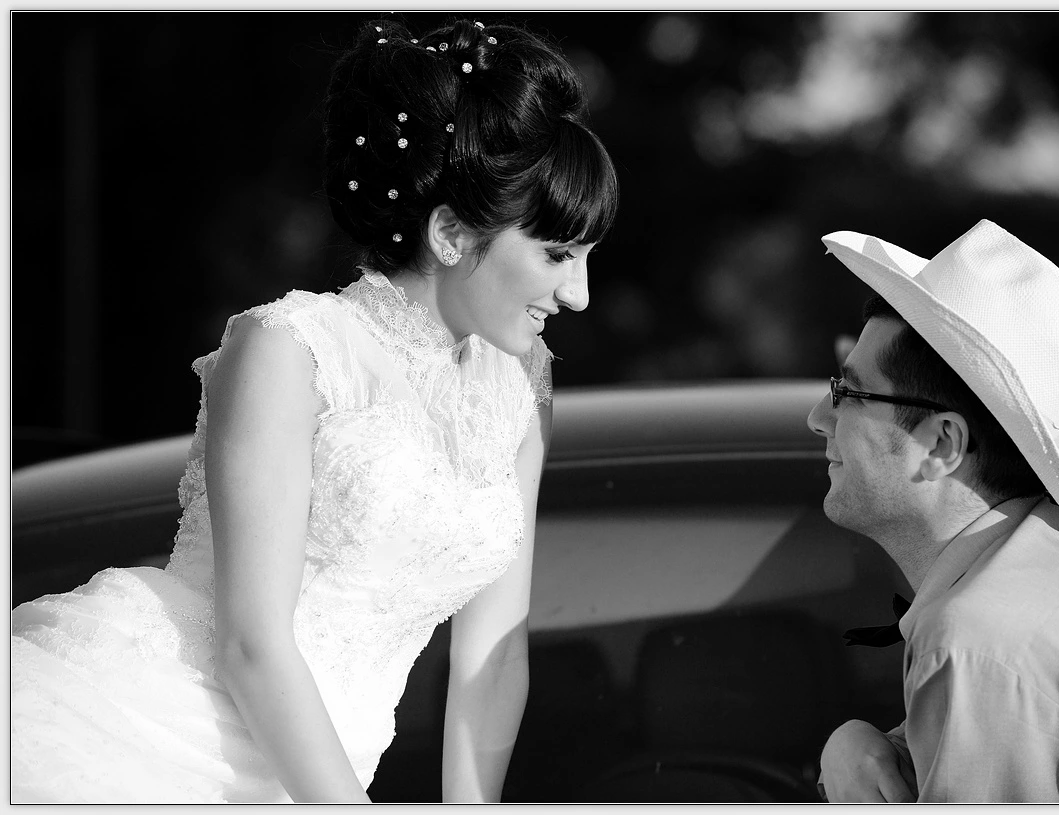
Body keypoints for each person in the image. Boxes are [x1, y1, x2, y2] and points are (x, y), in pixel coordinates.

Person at [11, 16, 617, 804]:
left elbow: (493, 656)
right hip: (138, 733)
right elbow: (252, 645)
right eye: (558, 254)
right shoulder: (289, 348)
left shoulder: (520, 390)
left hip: (317, 778)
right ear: (449, 232)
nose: (579, 294)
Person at [807, 220, 1059, 803]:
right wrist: (856, 746)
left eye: (848, 393)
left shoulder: (977, 643)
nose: (819, 416)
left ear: (942, 444)